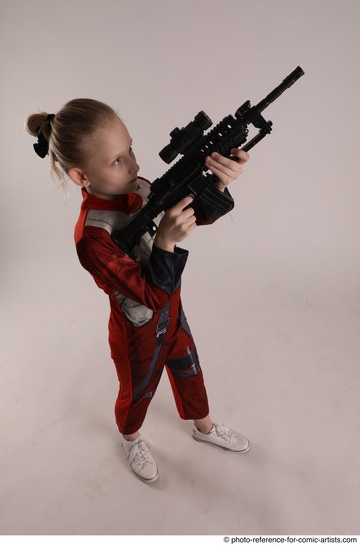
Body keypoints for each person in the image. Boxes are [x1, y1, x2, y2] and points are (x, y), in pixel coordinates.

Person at [26, 98, 251, 484]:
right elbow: (149, 295)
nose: (134, 165)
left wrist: (218, 182)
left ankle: (204, 427)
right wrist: (164, 242)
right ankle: (131, 439)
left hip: (173, 313)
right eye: (117, 160)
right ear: (81, 177)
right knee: (138, 392)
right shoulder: (92, 236)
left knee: (190, 371)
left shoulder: (141, 188)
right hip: (138, 330)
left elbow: (190, 209)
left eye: (130, 149)